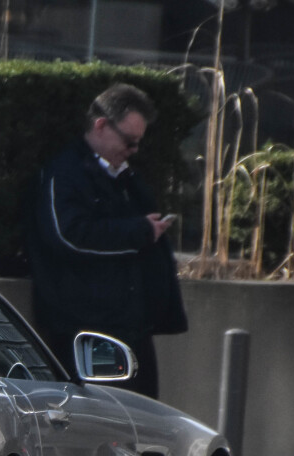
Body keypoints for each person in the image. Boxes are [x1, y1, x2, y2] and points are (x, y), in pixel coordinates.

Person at [26, 82, 187, 399]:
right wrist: (140, 231)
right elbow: (69, 236)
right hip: (90, 327)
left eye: (137, 143)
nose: (133, 151)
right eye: (129, 142)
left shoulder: (122, 177)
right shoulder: (66, 173)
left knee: (141, 419)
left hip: (128, 326)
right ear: (101, 126)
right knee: (108, 421)